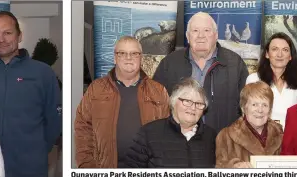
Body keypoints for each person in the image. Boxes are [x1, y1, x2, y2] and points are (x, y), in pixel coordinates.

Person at [0, 10, 61, 176]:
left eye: (7, 33)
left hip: (31, 167)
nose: (1, 40)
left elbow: (54, 119)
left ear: (19, 35)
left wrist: (36, 150)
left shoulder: (43, 73)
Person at [75, 36, 170, 168]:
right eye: (122, 53)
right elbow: (83, 128)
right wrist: (87, 168)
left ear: (141, 58)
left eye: (134, 53)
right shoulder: (95, 89)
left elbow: (168, 135)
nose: (128, 58)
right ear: (115, 58)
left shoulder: (159, 91)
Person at [153, 12, 249, 130]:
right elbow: (156, 105)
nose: (201, 36)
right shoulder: (169, 64)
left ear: (216, 35)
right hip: (178, 142)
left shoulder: (235, 65)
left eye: (207, 30)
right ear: (188, 36)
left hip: (222, 143)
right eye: (195, 31)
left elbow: (247, 108)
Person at [120, 78, 217, 168]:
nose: (193, 107)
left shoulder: (211, 136)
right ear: (173, 102)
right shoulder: (149, 133)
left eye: (199, 104)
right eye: (187, 101)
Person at [215, 82, 284, 168]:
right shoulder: (226, 136)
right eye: (254, 104)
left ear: (270, 110)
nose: (260, 110)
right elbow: (220, 169)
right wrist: (234, 168)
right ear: (244, 108)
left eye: (265, 105)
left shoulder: (280, 134)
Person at [245, 32, 297, 129]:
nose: (279, 54)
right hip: (261, 138)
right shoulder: (254, 79)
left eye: (285, 50)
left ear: (290, 56)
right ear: (267, 54)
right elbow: (248, 114)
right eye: (275, 49)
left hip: (290, 138)